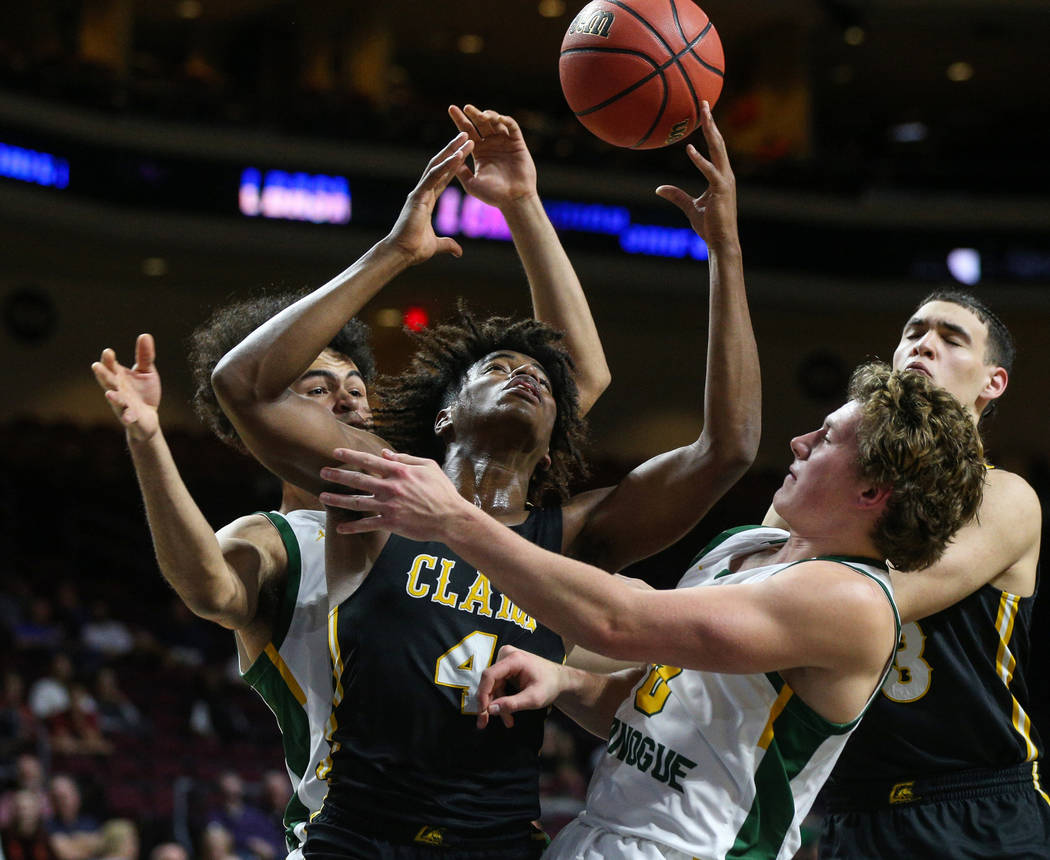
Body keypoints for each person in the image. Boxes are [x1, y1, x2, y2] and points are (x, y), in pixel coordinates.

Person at [211, 101, 759, 857]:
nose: (522, 377)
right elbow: (242, 385)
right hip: (356, 839)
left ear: (557, 431)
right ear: (443, 416)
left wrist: (725, 254)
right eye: (496, 367)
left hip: (497, 843)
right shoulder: (381, 489)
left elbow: (727, 448)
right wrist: (395, 250)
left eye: (536, 375)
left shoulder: (572, 535)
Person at [91, 103, 613, 859]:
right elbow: (210, 590)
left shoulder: (425, 495)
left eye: (355, 385)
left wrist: (526, 207)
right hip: (349, 833)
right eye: (317, 389)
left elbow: (578, 381)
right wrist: (147, 440)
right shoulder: (274, 540)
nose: (349, 398)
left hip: (476, 826)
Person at [319, 362, 986, 860]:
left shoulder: (853, 599)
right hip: (595, 834)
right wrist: (570, 685)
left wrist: (455, 521)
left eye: (829, 437)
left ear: (873, 488)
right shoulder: (746, 548)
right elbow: (667, 717)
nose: (801, 441)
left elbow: (616, 623)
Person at [808, 292, 1049, 858]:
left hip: (973, 804)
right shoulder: (827, 480)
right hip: (852, 805)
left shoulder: (1005, 496)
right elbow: (739, 590)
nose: (923, 342)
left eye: (951, 337)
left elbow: (875, 603)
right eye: (914, 330)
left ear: (993, 383)